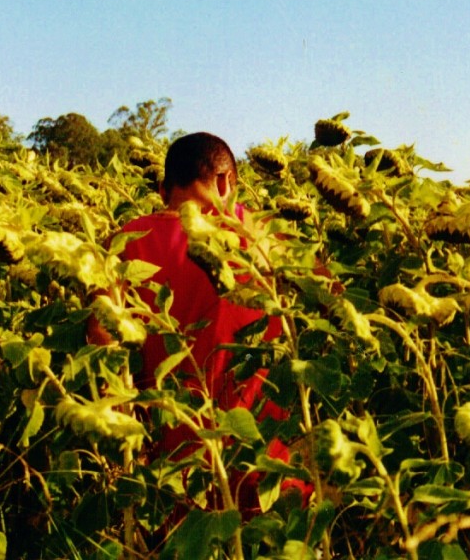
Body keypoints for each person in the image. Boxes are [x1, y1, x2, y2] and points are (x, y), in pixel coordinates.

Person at [88, 132, 307, 516]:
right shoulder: (261, 234)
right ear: (226, 183)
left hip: (173, 474)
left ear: (162, 189)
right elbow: (331, 298)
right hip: (265, 468)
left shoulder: (125, 243)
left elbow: (101, 339)